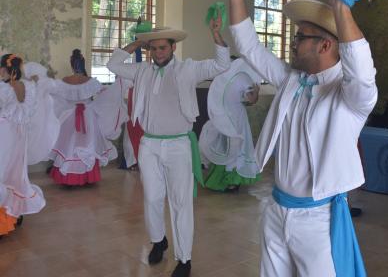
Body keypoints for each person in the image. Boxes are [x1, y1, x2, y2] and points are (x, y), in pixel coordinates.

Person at [204, 0, 377, 277]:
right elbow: (249, 48)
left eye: (301, 37)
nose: (293, 43)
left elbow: (363, 74)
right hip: (276, 208)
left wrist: (342, 11)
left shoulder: (350, 96)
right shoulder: (291, 80)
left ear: (325, 45)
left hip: (318, 219)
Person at [107, 17, 230, 277]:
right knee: (151, 198)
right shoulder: (142, 71)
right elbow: (113, 64)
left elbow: (221, 64)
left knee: (180, 202)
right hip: (149, 143)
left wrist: (216, 35)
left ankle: (184, 258)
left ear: (173, 48)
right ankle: (158, 241)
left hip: (178, 145)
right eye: (153, 48)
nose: (158, 52)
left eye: (163, 47)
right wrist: (138, 42)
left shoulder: (188, 69)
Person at [0, 54, 57, 237]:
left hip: (4, 132)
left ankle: (5, 217)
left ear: (5, 69)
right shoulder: (29, 86)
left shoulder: (3, 88)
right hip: (19, 136)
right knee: (14, 171)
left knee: (2, 170)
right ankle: (13, 212)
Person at [49, 49, 118, 186]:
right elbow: (103, 94)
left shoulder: (64, 81)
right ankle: (87, 177)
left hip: (69, 116)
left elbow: (55, 96)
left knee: (70, 144)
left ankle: (69, 178)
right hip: (88, 116)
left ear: (71, 65)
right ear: (83, 64)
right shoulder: (91, 82)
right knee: (88, 143)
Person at [199, 57, 261, 193]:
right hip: (227, 117)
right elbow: (250, 100)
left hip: (232, 117)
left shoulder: (236, 79)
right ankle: (225, 180)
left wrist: (254, 93)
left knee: (233, 147)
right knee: (228, 147)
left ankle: (231, 181)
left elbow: (250, 101)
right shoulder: (230, 80)